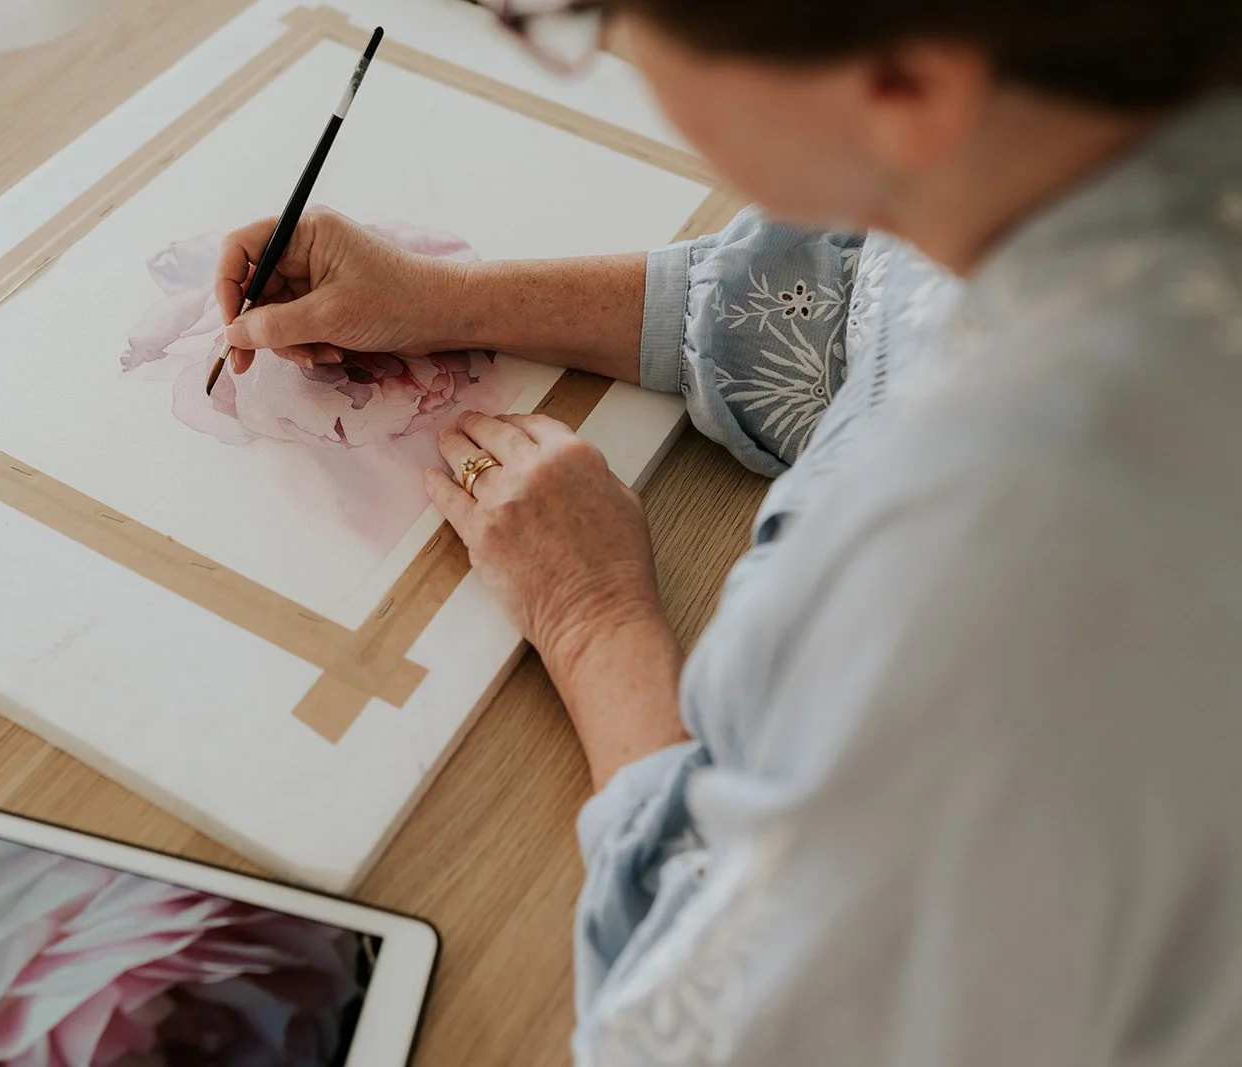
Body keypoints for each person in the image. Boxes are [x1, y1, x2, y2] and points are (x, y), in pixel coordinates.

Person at [215, 1, 1242, 1062]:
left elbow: (708, 1021)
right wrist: (450, 301)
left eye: (602, 18)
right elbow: (861, 303)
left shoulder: (988, 566)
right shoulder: (1094, 135)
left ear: (906, 86)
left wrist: (593, 620)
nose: (606, 47)